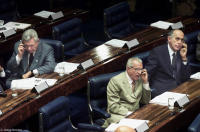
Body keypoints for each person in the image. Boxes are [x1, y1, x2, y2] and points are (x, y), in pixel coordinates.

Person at [103, 57, 151, 127]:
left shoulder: (140, 79)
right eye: (137, 69)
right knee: (136, 127)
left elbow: (146, 101)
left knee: (152, 122)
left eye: (141, 69)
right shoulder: (115, 81)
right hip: (118, 115)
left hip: (136, 114)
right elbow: (113, 106)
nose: (139, 72)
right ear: (128, 68)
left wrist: (145, 82)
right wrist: (131, 114)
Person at [145, 29, 191, 97]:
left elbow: (186, 77)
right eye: (177, 39)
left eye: (182, 40)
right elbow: (147, 73)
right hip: (162, 91)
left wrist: (184, 58)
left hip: (179, 88)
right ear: (169, 39)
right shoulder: (157, 52)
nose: (179, 42)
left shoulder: (181, 52)